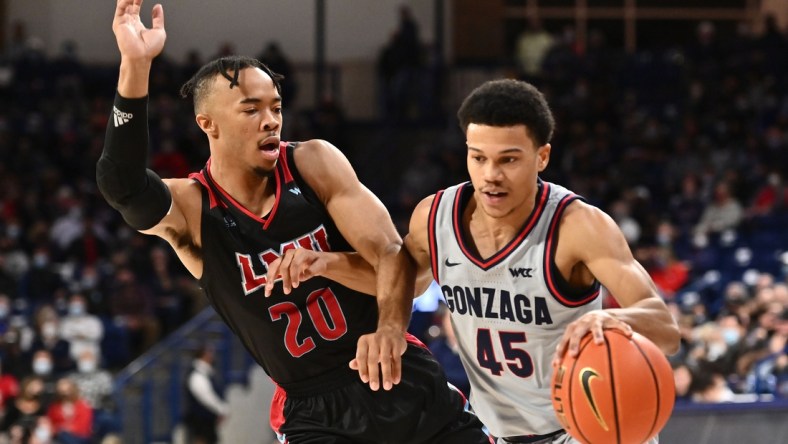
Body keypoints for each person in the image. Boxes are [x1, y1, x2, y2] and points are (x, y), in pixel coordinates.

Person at [97, 1, 488, 442]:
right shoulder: (192, 206)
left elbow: (403, 271)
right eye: (251, 110)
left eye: (276, 107)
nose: (270, 121)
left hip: (399, 373)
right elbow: (123, 185)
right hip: (312, 410)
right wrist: (135, 65)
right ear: (208, 124)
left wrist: (329, 266)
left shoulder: (313, 162)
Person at [402, 79, 681, 443]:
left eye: (509, 159)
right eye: (478, 157)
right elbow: (400, 274)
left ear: (543, 156)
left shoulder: (579, 225)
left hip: (589, 430)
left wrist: (609, 317)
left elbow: (666, 329)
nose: (491, 175)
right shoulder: (435, 218)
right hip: (503, 434)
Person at [182, 343, 228, 444]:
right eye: (209, 353)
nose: (212, 356)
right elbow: (206, 397)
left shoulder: (205, 373)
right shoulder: (197, 375)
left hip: (206, 423)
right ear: (204, 355)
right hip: (200, 423)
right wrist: (222, 409)